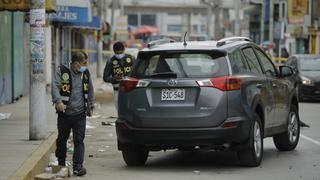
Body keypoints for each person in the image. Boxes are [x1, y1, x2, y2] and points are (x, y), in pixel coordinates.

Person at [51, 51, 94, 176]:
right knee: (62, 139)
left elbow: (90, 89)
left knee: (79, 140)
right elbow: (55, 86)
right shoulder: (62, 71)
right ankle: (61, 162)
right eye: (84, 63)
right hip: (65, 113)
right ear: (76, 63)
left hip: (80, 114)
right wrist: (58, 101)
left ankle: (78, 166)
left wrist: (90, 105)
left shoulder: (85, 73)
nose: (86, 65)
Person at [103, 41, 134, 108]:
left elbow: (137, 73)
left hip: (131, 88)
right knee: (119, 108)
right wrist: (114, 78)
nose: (119, 55)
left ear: (124, 50)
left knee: (131, 107)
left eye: (121, 53)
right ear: (114, 51)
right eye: (117, 53)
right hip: (118, 89)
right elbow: (105, 78)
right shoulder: (110, 61)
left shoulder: (131, 58)